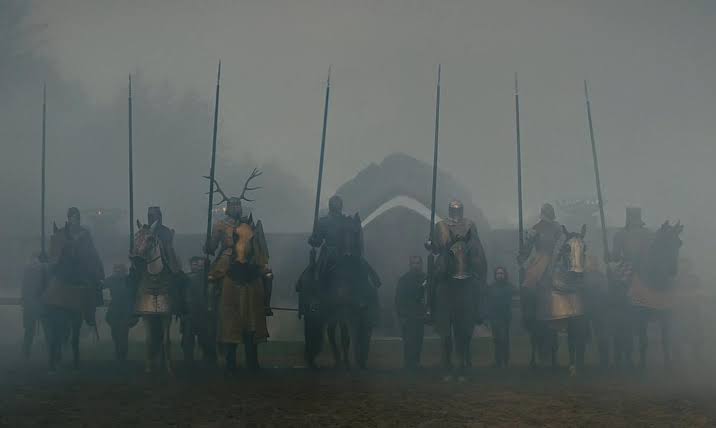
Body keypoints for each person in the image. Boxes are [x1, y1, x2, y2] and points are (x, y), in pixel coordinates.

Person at [205, 172, 272, 373]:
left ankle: (266, 305)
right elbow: (211, 247)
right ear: (228, 208)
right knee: (211, 279)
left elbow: (259, 246)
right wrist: (208, 244)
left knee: (268, 275)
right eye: (233, 206)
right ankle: (210, 305)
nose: (236, 208)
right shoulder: (220, 225)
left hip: (249, 262)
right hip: (227, 259)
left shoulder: (250, 224)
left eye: (238, 206)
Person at [426, 199, 487, 380]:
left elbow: (476, 246)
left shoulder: (470, 224)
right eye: (454, 209)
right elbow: (435, 248)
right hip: (446, 268)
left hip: (466, 266)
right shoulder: (440, 225)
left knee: (477, 286)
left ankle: (479, 311)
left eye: (458, 209)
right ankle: (430, 308)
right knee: (433, 282)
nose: (456, 212)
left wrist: (475, 261)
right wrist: (430, 244)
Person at [181, 256, 215, 366]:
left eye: (200, 265)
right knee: (188, 339)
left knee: (205, 338)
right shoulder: (187, 278)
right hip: (190, 313)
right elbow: (183, 296)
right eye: (195, 264)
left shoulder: (208, 279)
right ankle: (188, 361)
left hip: (202, 313)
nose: (197, 267)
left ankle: (207, 361)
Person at [395, 256, 426, 369]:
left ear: (421, 265)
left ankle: (416, 362)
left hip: (420, 315)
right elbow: (398, 299)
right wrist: (402, 315)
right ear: (410, 265)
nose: (416, 266)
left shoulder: (425, 278)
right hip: (408, 315)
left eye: (418, 263)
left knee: (418, 340)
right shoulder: (404, 279)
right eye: (413, 263)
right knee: (408, 341)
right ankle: (408, 363)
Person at [21, 252, 49, 360]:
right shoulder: (46, 268)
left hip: (30, 302)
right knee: (47, 329)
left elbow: (24, 287)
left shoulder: (28, 268)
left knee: (29, 330)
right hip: (42, 303)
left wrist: (25, 299)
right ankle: (52, 353)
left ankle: (26, 352)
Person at [104, 263, 133, 363]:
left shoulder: (129, 280)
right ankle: (118, 353)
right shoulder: (111, 279)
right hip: (114, 310)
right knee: (115, 334)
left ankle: (122, 355)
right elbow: (101, 285)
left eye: (120, 269)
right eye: (117, 269)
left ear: (124, 271)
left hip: (125, 310)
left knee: (124, 334)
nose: (118, 271)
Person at [487, 267, 513, 368]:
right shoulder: (491, 287)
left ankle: (505, 361)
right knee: (496, 340)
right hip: (494, 318)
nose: (500, 275)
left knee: (504, 339)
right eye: (498, 273)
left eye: (501, 273)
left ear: (505, 274)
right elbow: (488, 302)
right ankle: (498, 361)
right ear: (495, 275)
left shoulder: (509, 287)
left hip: (505, 318)